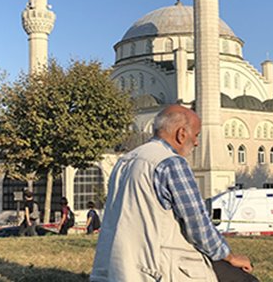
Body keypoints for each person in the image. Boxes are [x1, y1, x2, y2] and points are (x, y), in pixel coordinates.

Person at [91, 105, 257, 282]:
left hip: (118, 267)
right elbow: (198, 225)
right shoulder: (171, 162)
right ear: (181, 134)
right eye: (196, 135)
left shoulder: (125, 160)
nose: (196, 142)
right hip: (159, 267)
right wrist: (230, 256)